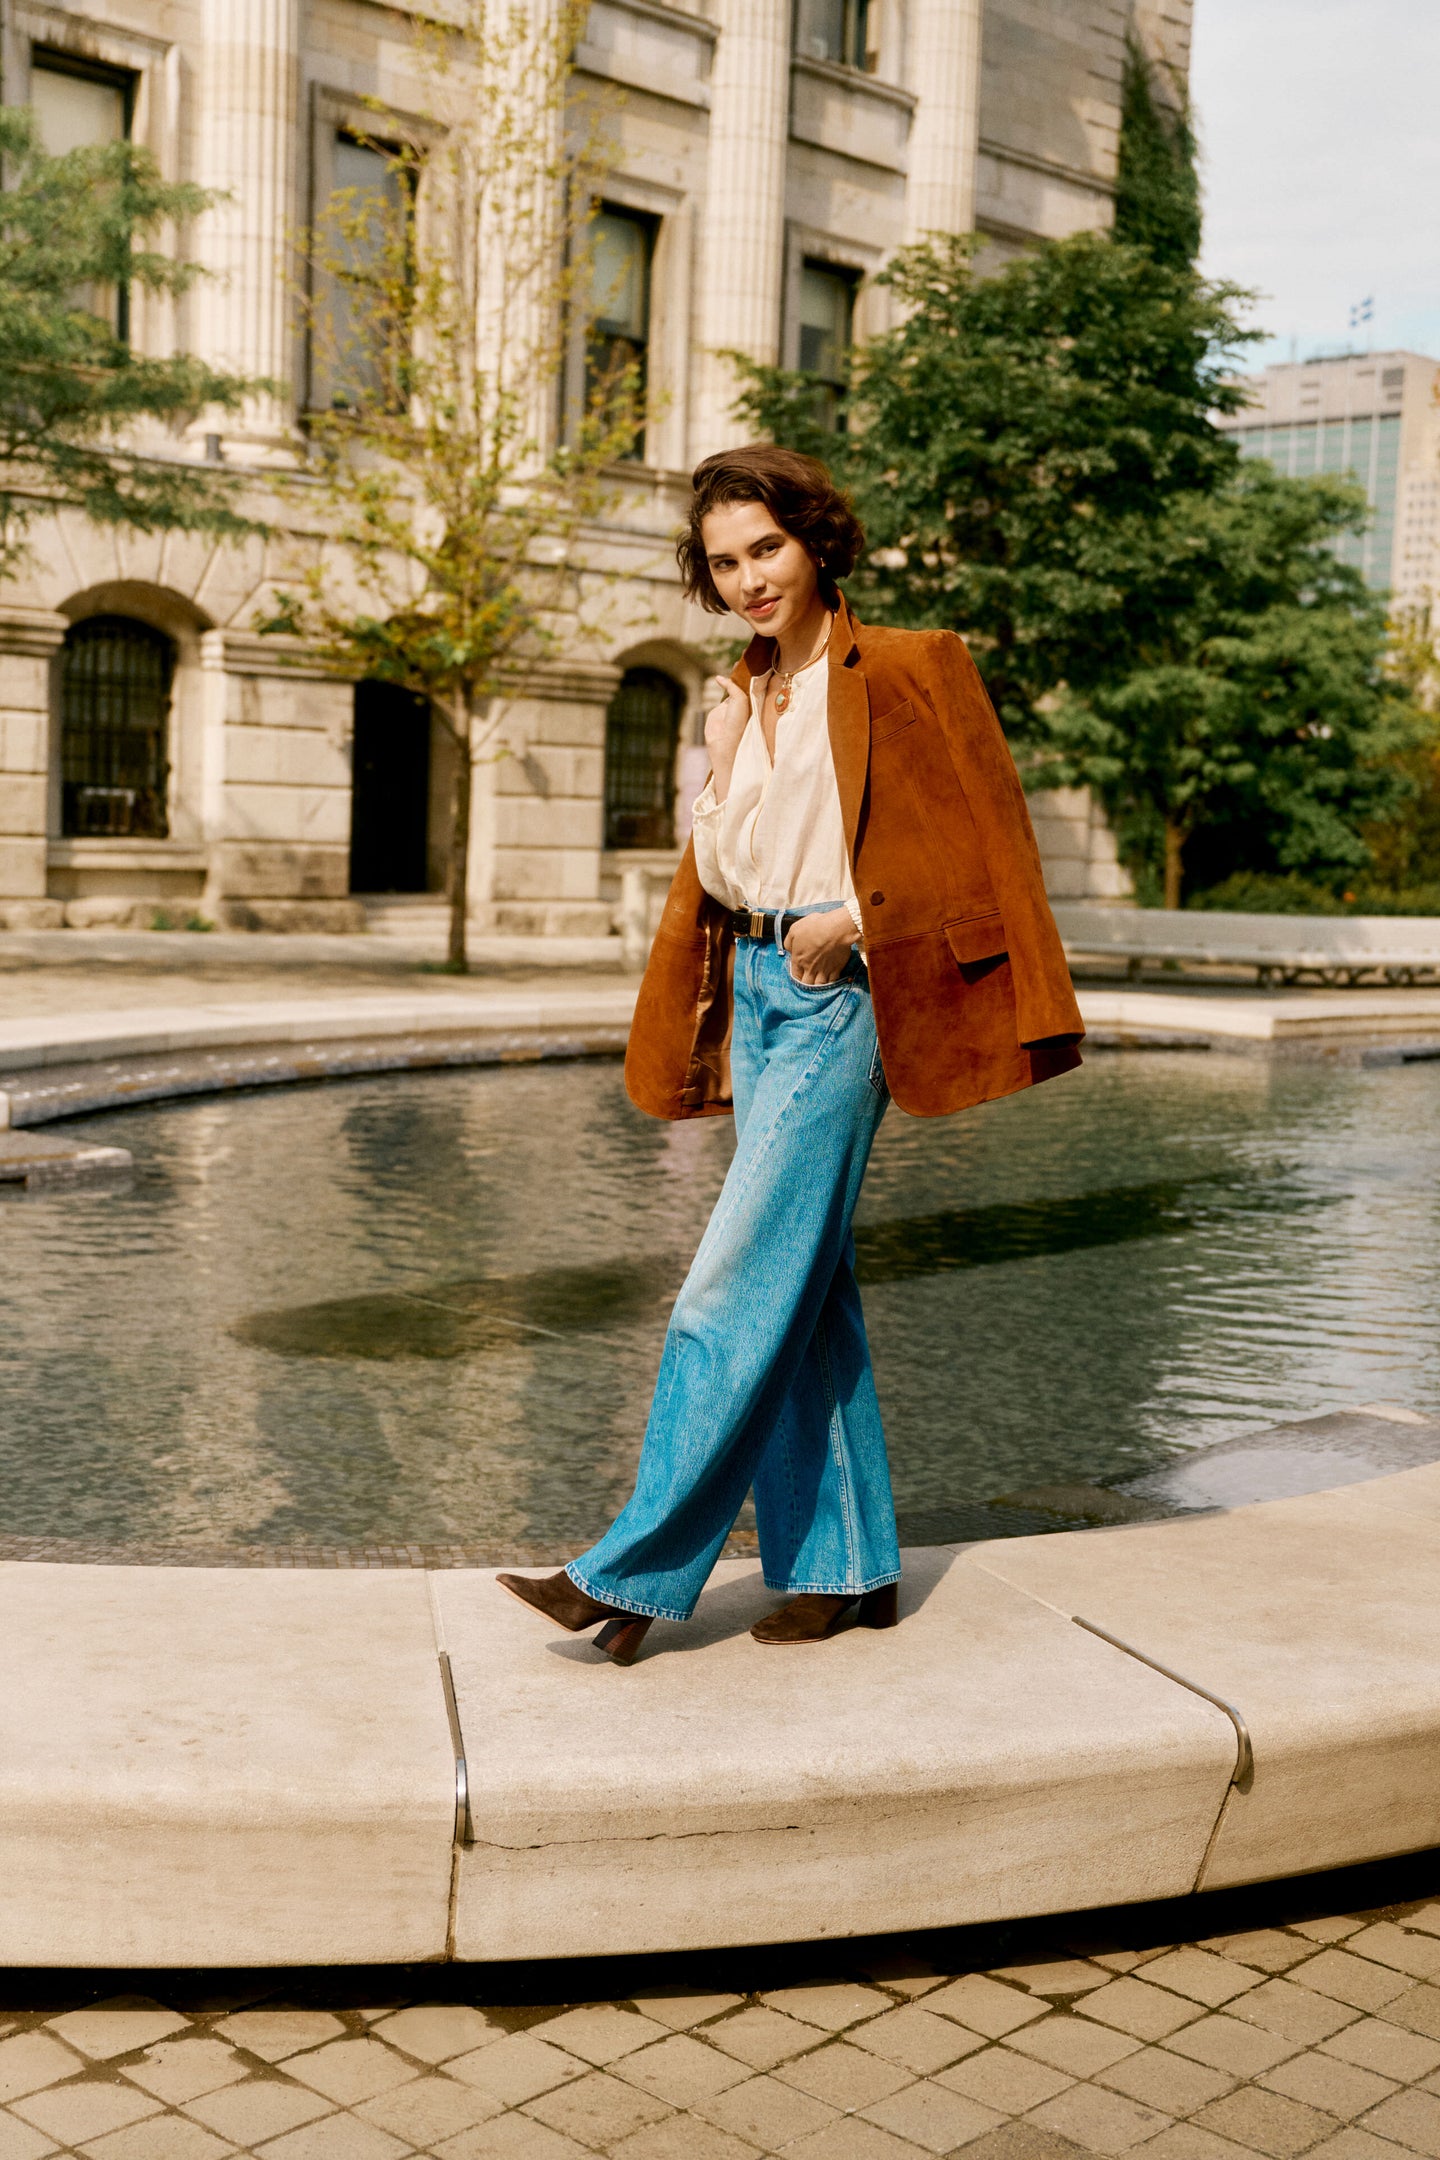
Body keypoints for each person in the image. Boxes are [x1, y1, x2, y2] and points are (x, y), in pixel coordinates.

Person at [499, 443, 1083, 1664]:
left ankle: (630, 1572)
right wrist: (723, 760)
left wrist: (855, 920)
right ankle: (848, 1567)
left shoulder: (914, 666)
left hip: (845, 996)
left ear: (816, 541)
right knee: (806, 1293)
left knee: (728, 1285)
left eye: (766, 547)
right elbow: (724, 873)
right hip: (761, 987)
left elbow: (991, 845)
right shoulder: (738, 695)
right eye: (725, 562)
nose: (750, 577)